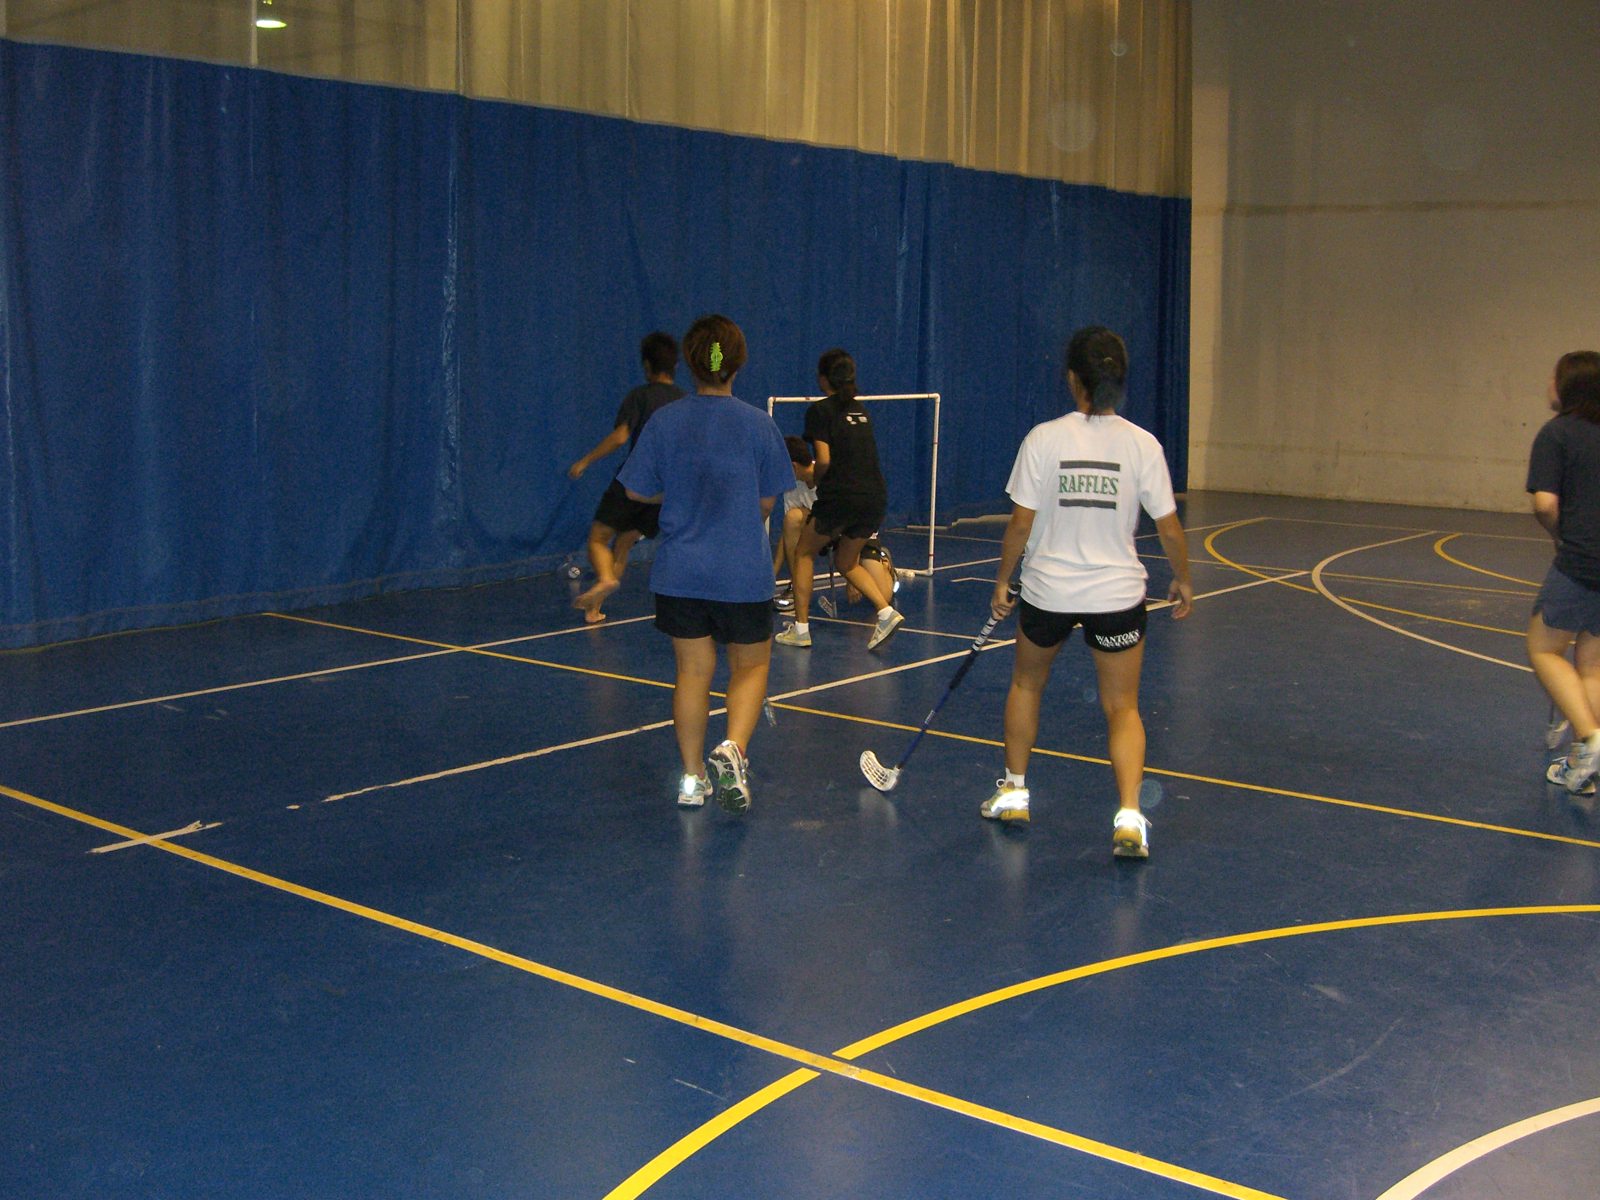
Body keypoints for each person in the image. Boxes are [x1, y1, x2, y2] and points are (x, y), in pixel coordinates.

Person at [982, 326, 1193, 859]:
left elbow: (1020, 523)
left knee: (1026, 685)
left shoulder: (1043, 439)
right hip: (1116, 598)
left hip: (1048, 594)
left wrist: (1003, 579)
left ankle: (1015, 793)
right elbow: (1169, 527)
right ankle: (1130, 817)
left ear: (1072, 378)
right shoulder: (1143, 444)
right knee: (1123, 707)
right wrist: (1183, 578)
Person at [618, 314, 793, 814]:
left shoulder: (665, 421)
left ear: (691, 364)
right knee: (752, 666)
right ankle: (732, 750)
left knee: (692, 673)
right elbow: (766, 504)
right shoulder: (759, 425)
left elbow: (635, 490)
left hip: (682, 573)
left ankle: (693, 779)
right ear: (737, 363)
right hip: (742, 574)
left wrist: (678, 491)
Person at [775, 349, 903, 651]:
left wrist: (820, 479)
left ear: (823, 379)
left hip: (842, 496)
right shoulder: (862, 412)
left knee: (804, 553)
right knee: (846, 561)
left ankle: (801, 630)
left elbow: (823, 459)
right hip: (875, 497)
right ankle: (886, 612)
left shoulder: (820, 412)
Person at [568, 332, 686, 622]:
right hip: (664, 491)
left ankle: (606, 579)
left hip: (633, 481)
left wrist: (585, 460)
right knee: (623, 544)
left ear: (646, 365)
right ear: (675, 365)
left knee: (598, 539)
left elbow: (621, 437)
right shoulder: (685, 401)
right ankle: (595, 610)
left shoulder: (640, 396)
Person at [1526, 350, 1600, 793]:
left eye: (1554, 378)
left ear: (1570, 386)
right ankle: (1581, 767)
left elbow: (1545, 503)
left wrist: (1559, 534)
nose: (1548, 385)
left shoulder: (1557, 434)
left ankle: (1590, 739)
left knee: (1545, 650)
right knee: (1592, 665)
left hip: (1581, 562)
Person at [772, 435, 817, 612]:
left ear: (793, 467)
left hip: (847, 536)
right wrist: (772, 574)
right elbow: (788, 531)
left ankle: (884, 564)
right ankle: (798, 587)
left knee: (884, 591)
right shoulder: (792, 485)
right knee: (792, 518)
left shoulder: (829, 477)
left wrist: (851, 563)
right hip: (816, 533)